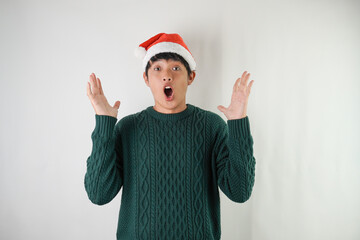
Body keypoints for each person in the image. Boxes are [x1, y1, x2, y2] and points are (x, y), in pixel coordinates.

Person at [84, 32, 256, 240]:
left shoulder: (212, 127)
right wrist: (105, 123)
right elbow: (99, 194)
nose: (167, 76)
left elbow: (240, 191)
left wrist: (238, 124)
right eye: (157, 69)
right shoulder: (127, 128)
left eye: (176, 68)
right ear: (146, 78)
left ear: (191, 76)